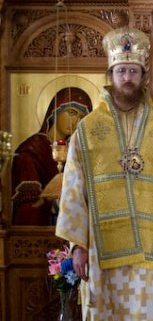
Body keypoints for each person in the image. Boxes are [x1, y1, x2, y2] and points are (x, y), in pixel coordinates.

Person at [55, 27, 153, 321]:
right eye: (120, 71)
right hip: (102, 255)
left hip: (150, 254)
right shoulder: (87, 129)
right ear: (110, 76)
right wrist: (77, 245)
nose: (127, 77)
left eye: (133, 71)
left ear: (143, 77)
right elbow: (73, 188)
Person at [11, 87, 92, 225]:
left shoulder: (78, 151)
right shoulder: (30, 151)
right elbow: (26, 208)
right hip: (42, 235)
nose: (76, 121)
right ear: (55, 111)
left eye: (81, 118)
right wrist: (54, 203)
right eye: (71, 113)